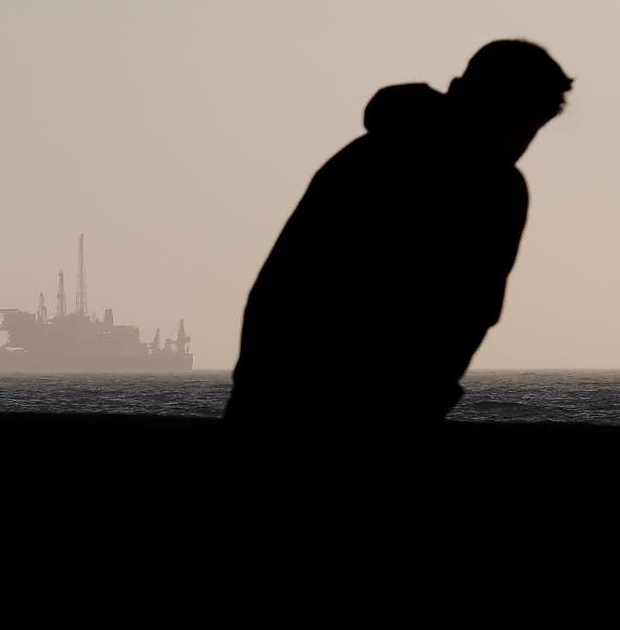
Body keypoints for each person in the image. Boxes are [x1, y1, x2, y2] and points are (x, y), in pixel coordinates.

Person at [225, 39, 571, 429]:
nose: (520, 142)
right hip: (377, 417)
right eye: (522, 122)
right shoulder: (494, 185)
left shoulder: (364, 155)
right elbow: (463, 314)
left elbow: (282, 291)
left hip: (266, 401)